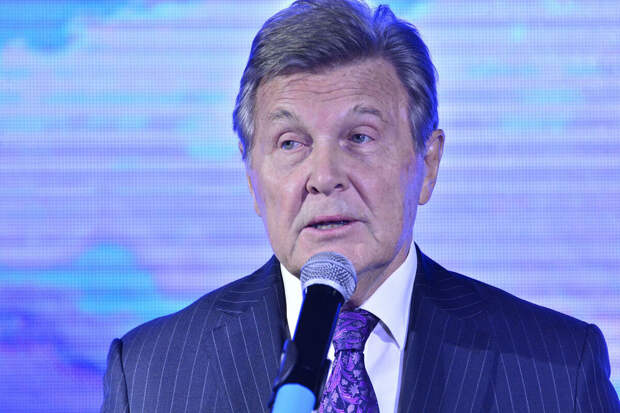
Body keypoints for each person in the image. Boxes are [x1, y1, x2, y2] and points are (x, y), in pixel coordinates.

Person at [101, 1, 619, 412]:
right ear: (252, 178)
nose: (324, 177)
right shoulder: (150, 375)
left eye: (360, 136)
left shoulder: (558, 369)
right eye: (290, 143)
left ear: (428, 163)